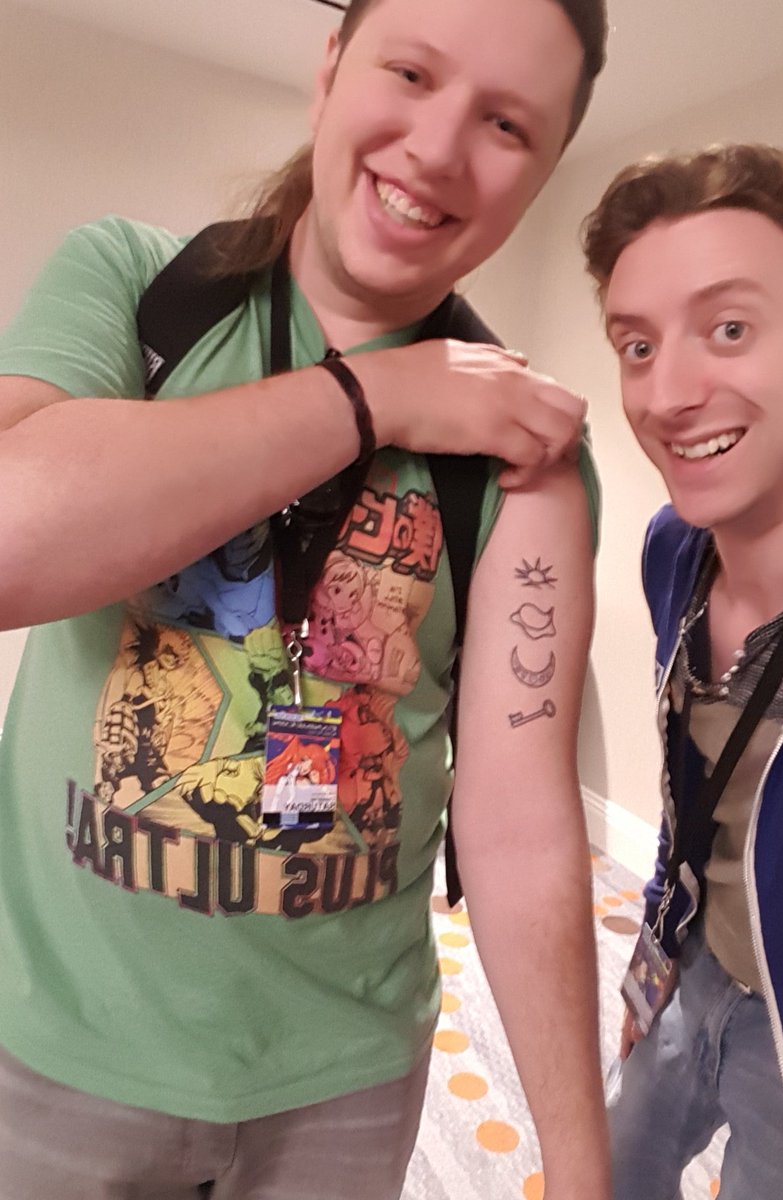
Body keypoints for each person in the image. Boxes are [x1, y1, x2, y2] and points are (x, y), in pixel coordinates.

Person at [0, 1, 612, 1197]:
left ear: (543, 170)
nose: (437, 147)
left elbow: (520, 823)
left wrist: (585, 1166)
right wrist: (379, 400)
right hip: (57, 1051)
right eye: (412, 72)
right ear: (331, 66)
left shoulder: (528, 447)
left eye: (505, 123)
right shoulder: (132, 286)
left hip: (341, 1088)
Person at [582, 142, 783, 1200]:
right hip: (690, 963)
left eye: (728, 329)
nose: (666, 394)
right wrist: (655, 947)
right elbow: (697, 780)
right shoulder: (673, 550)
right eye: (636, 345)